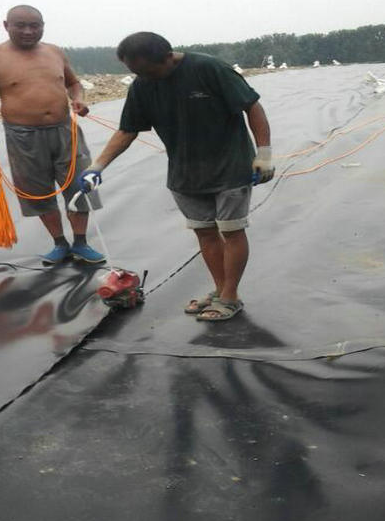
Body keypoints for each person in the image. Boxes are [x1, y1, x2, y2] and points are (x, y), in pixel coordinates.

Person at [77, 32, 274, 322]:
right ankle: (220, 290)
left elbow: (251, 106)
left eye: (148, 70)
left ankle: (230, 296)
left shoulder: (209, 68)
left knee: (231, 231)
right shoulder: (143, 84)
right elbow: (128, 129)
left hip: (229, 165)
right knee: (205, 232)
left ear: (168, 57)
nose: (144, 77)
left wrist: (264, 152)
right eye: (136, 72)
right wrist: (97, 166)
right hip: (185, 172)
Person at [0, 4, 105, 265]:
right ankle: (59, 243)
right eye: (20, 25)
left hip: (65, 130)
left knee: (79, 185)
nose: (28, 31)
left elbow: (73, 83)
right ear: (6, 26)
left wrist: (78, 99)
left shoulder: (54, 52)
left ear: (43, 26)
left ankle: (81, 242)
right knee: (37, 191)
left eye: (35, 26)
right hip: (23, 136)